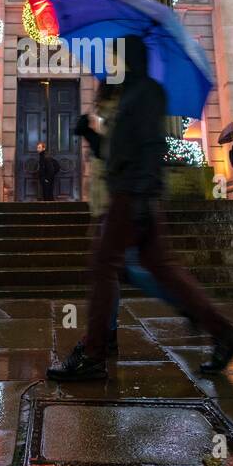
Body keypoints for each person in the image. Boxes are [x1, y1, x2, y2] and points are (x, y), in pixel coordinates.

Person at [49, 34, 233, 381]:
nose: (114, 64)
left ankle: (94, 354)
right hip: (134, 194)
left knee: (102, 266)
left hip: (131, 195)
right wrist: (92, 137)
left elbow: (150, 149)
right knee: (163, 269)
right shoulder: (134, 95)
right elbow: (118, 151)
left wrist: (137, 197)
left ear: (131, 59)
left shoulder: (146, 94)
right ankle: (224, 334)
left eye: (118, 57)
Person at [76, 81, 189, 351]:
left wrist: (91, 137)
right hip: (118, 201)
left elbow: (115, 156)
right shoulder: (116, 110)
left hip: (122, 201)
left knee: (124, 268)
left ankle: (102, 338)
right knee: (123, 269)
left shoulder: (125, 109)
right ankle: (108, 331)